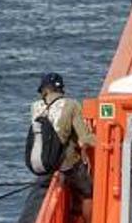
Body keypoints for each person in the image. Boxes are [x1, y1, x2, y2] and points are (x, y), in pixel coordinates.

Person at [30, 72, 96, 200]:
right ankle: (87, 217)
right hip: (65, 164)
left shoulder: (35, 107)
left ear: (44, 90)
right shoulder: (71, 105)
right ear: (61, 89)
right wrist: (105, 142)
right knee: (88, 192)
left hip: (42, 162)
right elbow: (84, 139)